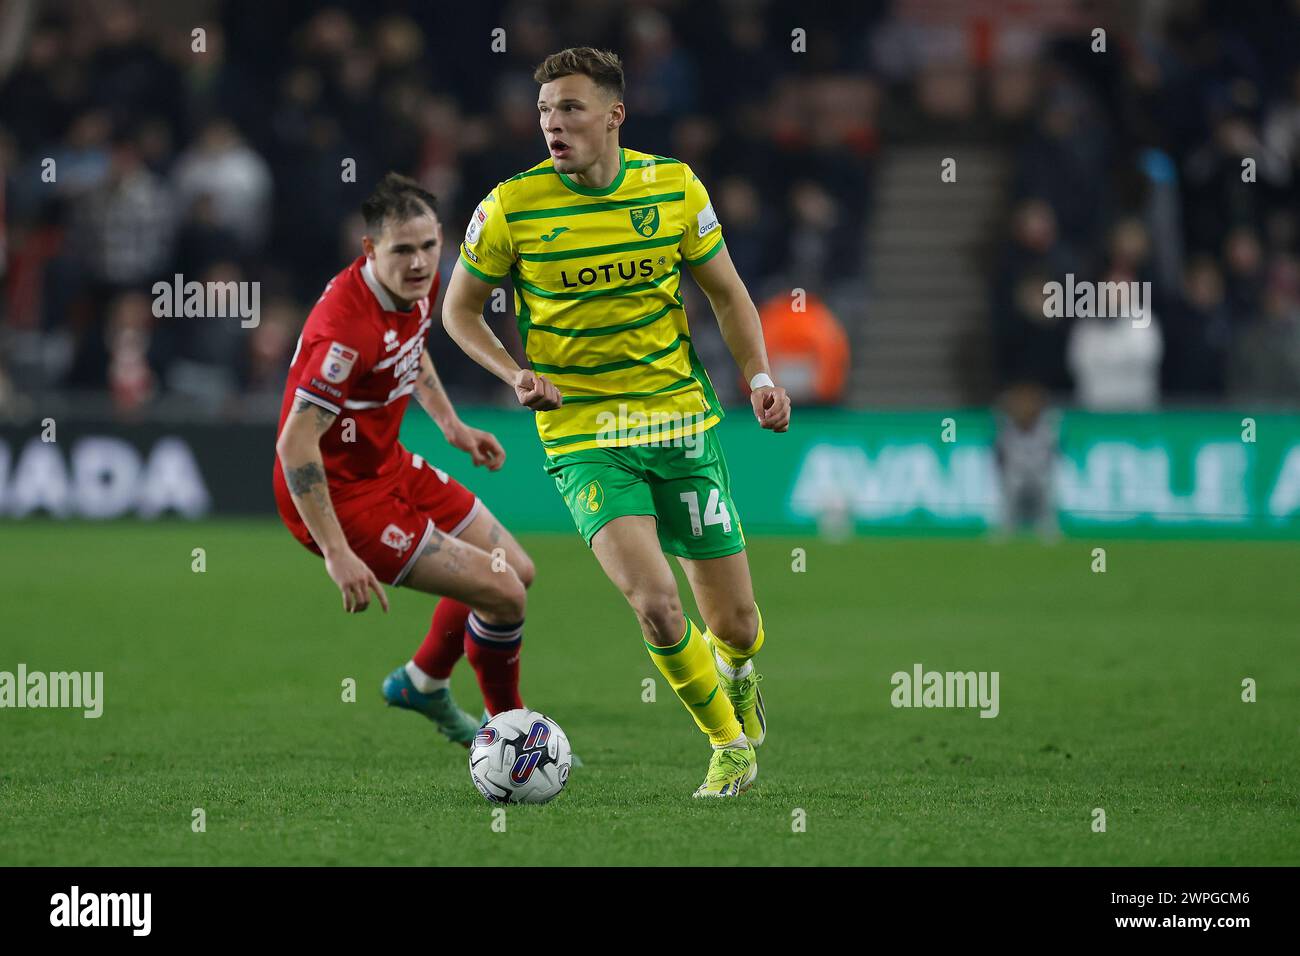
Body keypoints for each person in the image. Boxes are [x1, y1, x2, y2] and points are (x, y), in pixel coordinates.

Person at [441, 48, 791, 797]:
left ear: (613, 115)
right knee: (657, 604)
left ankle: (738, 673)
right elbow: (457, 310)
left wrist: (759, 376)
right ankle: (728, 746)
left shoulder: (673, 187)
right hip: (583, 433)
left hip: (679, 424)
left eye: (569, 109)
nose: (553, 126)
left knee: (732, 623)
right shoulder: (511, 206)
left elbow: (727, 293)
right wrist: (513, 373)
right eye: (543, 112)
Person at [273, 173, 537, 748]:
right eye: (402, 251)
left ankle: (422, 681)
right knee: (505, 594)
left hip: (386, 463)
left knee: (516, 570)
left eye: (428, 246)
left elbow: (411, 355)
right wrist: (337, 553)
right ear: (369, 250)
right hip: (342, 501)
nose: (420, 263)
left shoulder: (415, 286)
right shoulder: (344, 333)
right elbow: (295, 444)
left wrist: (452, 427)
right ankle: (514, 736)